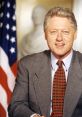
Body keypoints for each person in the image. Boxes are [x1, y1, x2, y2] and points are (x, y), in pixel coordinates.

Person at [8, 6, 82, 117]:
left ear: (75, 34)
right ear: (45, 35)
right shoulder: (27, 65)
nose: (59, 38)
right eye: (53, 32)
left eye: (65, 32)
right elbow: (16, 105)